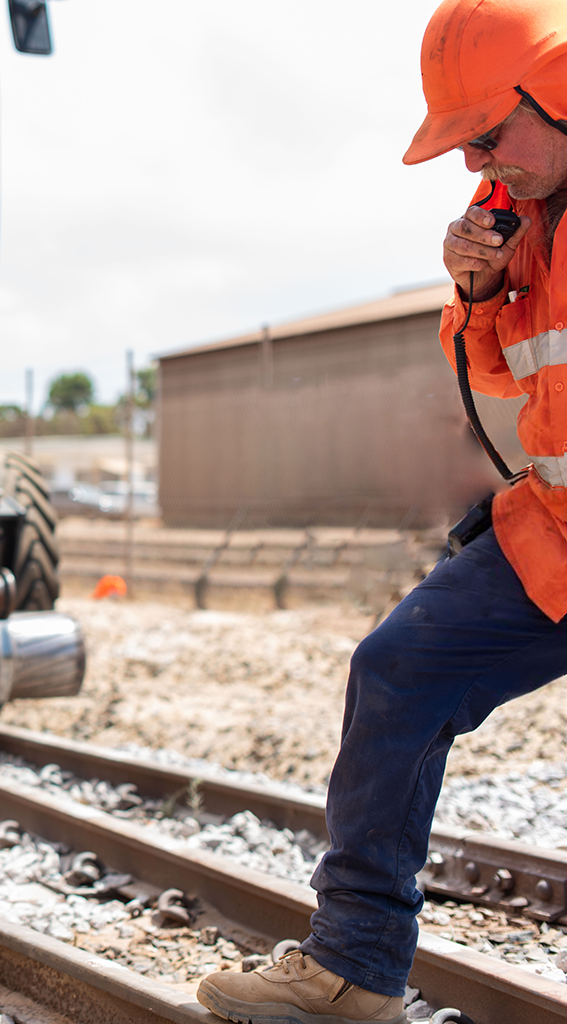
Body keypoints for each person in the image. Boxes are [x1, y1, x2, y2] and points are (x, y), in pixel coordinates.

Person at [197, 1, 567, 1022]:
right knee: (397, 669)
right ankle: (355, 968)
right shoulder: (525, 223)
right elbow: (499, 374)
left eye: (487, 135)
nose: (474, 165)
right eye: (465, 145)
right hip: (555, 535)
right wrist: (481, 290)